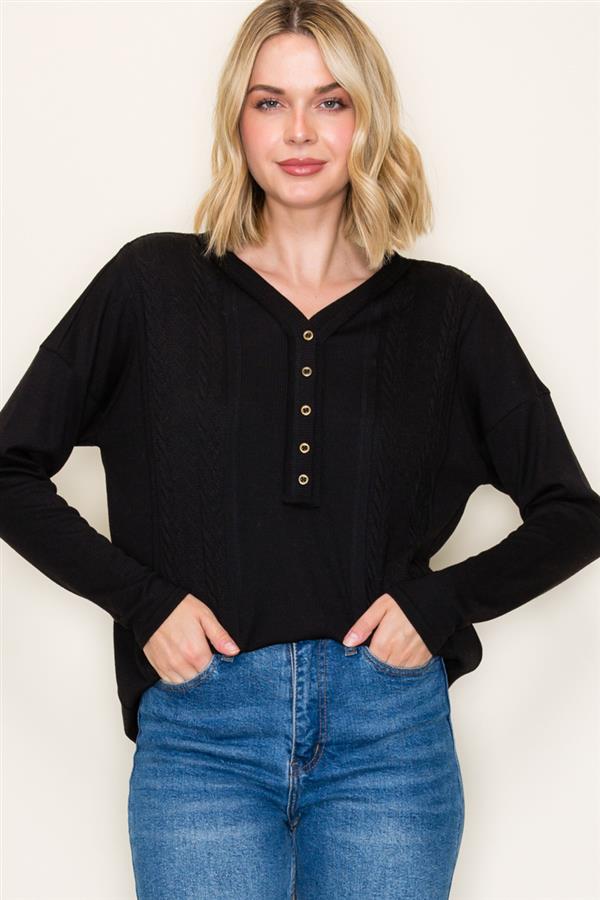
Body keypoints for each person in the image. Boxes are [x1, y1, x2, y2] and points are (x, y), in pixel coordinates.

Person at [1, 1, 599, 897]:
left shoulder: (447, 313)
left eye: (330, 101)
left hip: (390, 740)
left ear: (369, 117)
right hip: (201, 733)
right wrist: (144, 603)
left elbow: (573, 515)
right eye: (269, 102)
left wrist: (440, 604)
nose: (299, 132)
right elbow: (9, 467)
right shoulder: (149, 285)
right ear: (236, 120)